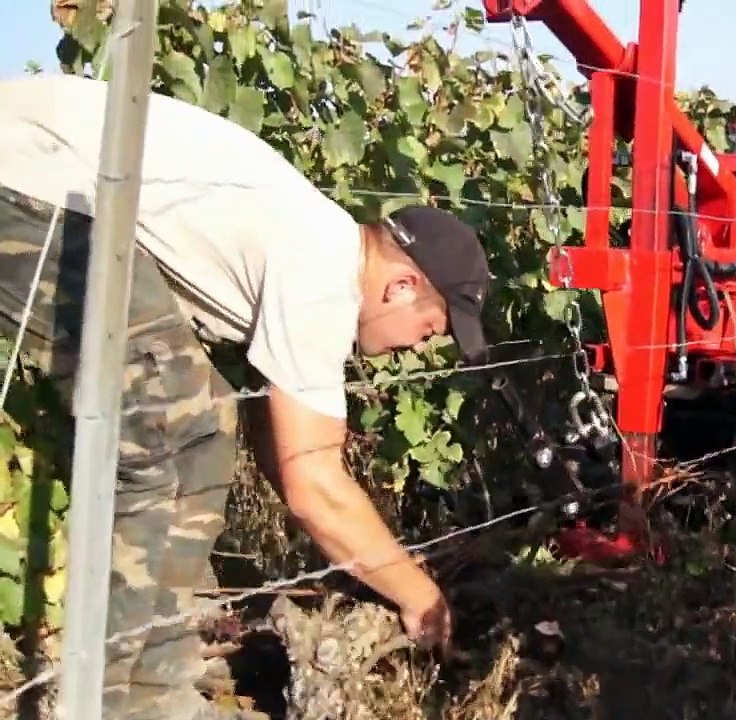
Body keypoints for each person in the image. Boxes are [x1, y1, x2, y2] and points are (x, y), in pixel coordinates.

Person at [0, 73, 488, 720]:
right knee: (166, 429)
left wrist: (377, 566)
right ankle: (105, 701)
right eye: (432, 328)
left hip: (55, 185)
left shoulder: (315, 247)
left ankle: (151, 689)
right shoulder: (323, 275)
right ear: (401, 286)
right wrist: (418, 596)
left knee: (204, 430)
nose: (422, 346)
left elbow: (281, 454)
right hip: (33, 185)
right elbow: (314, 484)